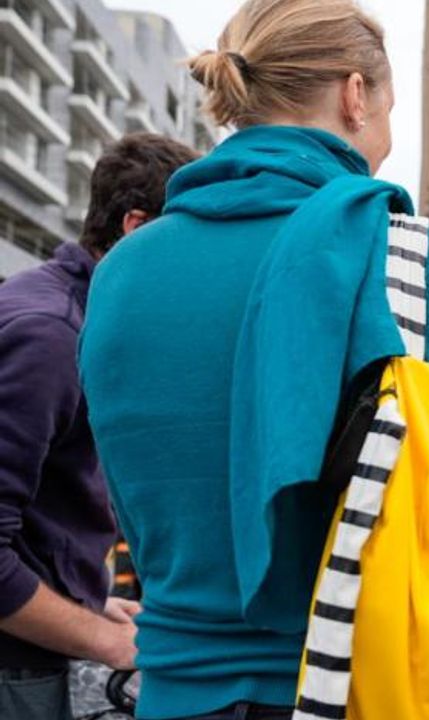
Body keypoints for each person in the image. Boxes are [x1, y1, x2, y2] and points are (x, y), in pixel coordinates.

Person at [78, 2, 429, 717]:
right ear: (355, 95)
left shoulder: (117, 273)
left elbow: (134, 499)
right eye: (388, 106)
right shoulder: (404, 254)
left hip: (173, 685)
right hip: (356, 685)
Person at [0, 133, 196, 719]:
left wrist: (89, 603)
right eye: (188, 246)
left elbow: (33, 520)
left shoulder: (75, 314)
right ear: (136, 228)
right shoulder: (50, 336)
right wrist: (106, 640)